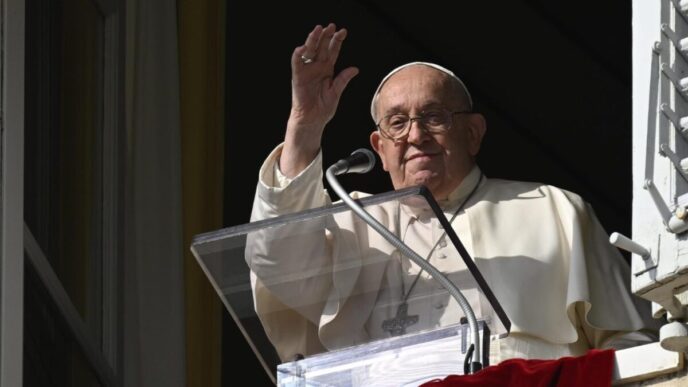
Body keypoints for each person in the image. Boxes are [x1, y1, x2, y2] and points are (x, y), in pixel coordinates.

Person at [245, 23, 659, 364]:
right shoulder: (353, 221)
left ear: (473, 133)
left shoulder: (554, 211)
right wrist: (304, 126)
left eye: (434, 117)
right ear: (380, 148)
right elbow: (276, 262)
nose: (416, 135)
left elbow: (634, 345)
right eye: (397, 123)